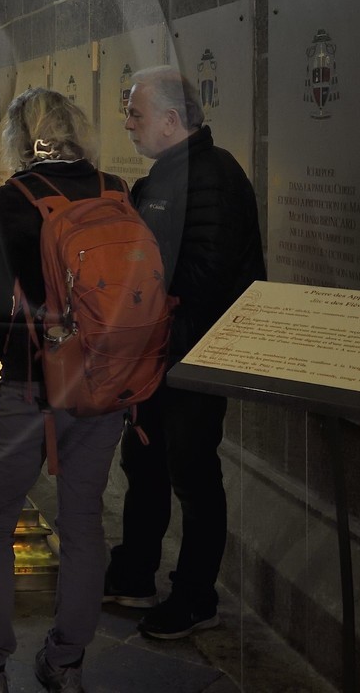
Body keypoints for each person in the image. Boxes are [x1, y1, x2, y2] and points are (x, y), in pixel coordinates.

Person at [0, 88, 129, 693]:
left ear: (20, 138)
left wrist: (28, 370)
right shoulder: (117, 188)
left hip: (33, 388)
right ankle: (65, 664)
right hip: (107, 385)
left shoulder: (17, 197)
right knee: (84, 522)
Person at [104, 66, 266, 639]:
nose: (128, 124)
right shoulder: (161, 177)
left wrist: (134, 287)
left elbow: (204, 275)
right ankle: (134, 572)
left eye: (136, 114)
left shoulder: (214, 179)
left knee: (193, 473)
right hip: (155, 355)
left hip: (194, 355)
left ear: (172, 121)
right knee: (142, 460)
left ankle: (196, 596)